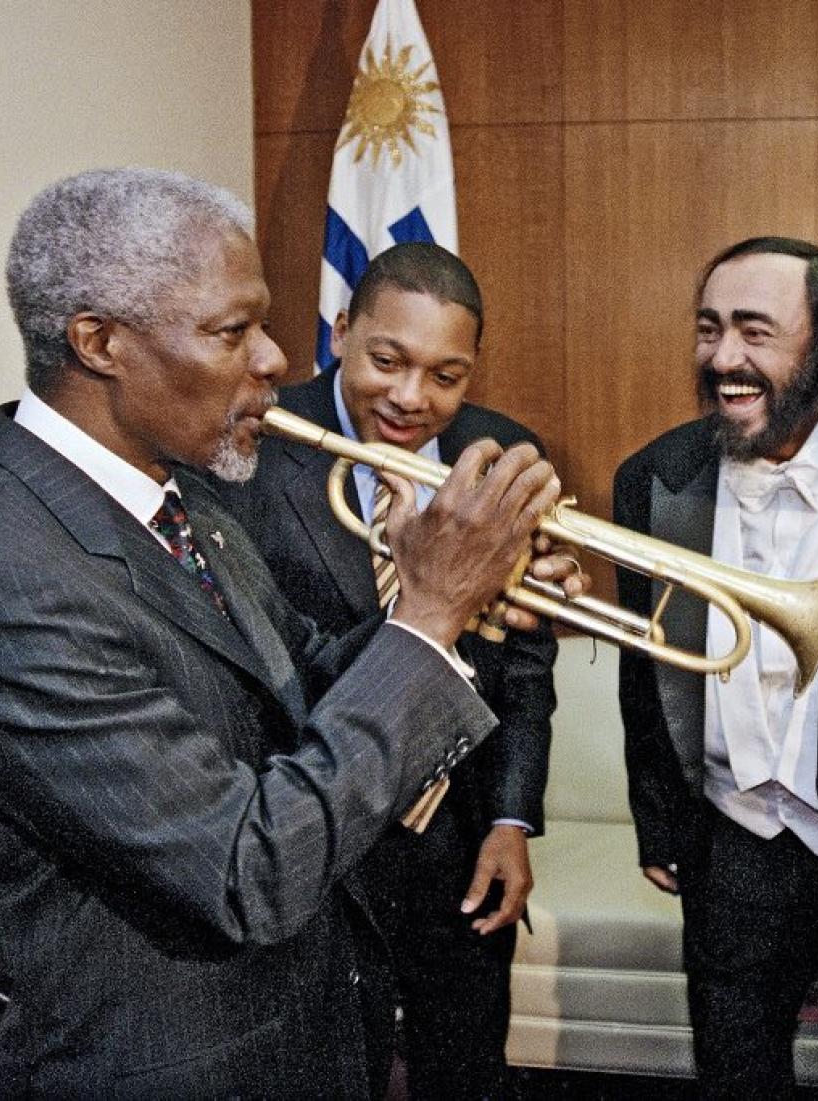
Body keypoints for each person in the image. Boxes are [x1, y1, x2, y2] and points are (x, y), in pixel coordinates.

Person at [0, 168, 577, 1099]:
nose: (271, 359)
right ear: (99, 343)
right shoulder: (3, 586)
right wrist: (428, 616)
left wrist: (459, 604)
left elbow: (305, 681)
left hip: (305, 1032)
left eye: (262, 324)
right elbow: (243, 870)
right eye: (232, 331)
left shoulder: (185, 501)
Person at [214, 242, 554, 1099]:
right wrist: (432, 601)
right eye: (386, 361)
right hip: (314, 820)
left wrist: (511, 816)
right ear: (340, 333)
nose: (411, 398)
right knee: (336, 1067)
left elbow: (525, 669)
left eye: (446, 375)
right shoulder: (254, 446)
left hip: (460, 830)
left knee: (466, 1063)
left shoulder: (501, 453)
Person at [614, 237, 818, 1098]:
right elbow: (646, 665)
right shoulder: (654, 474)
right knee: (734, 1073)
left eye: (756, 331)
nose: (725, 357)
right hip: (736, 847)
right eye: (710, 328)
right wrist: (663, 821)